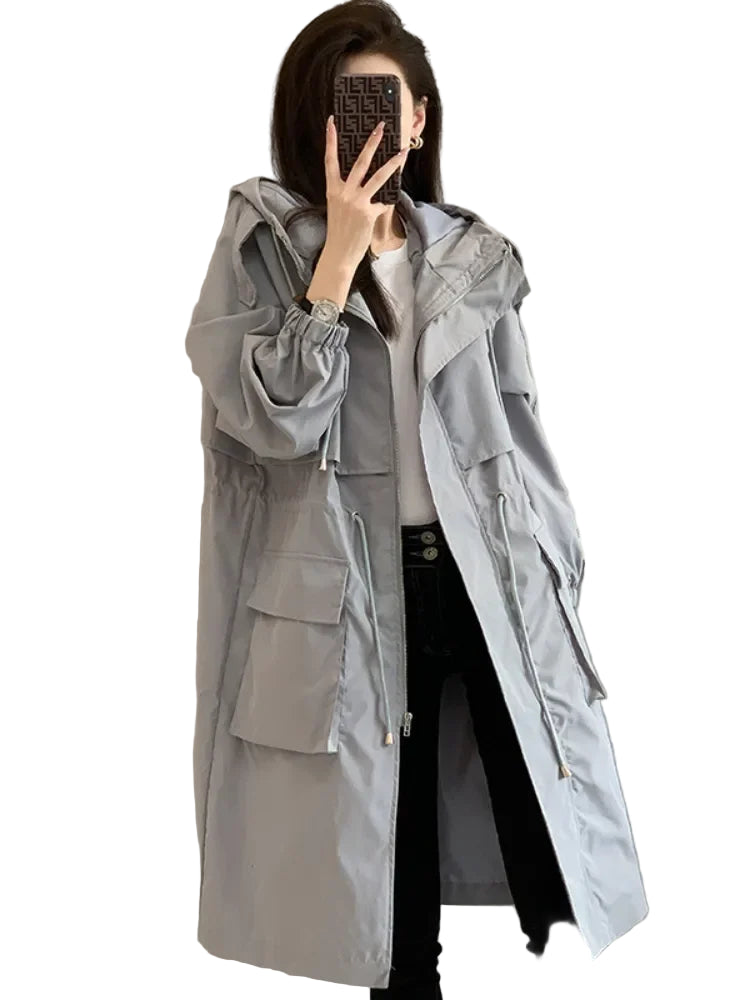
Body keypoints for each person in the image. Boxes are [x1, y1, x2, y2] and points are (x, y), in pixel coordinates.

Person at [184, 2, 649, 997]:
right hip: (348, 603)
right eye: (343, 106)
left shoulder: (475, 257)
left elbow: (520, 434)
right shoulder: (263, 244)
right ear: (312, 121)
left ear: (422, 119)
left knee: (551, 832)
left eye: (384, 104)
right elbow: (272, 422)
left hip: (483, 580)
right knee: (391, 899)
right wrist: (335, 263)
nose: (366, 128)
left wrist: (560, 563)